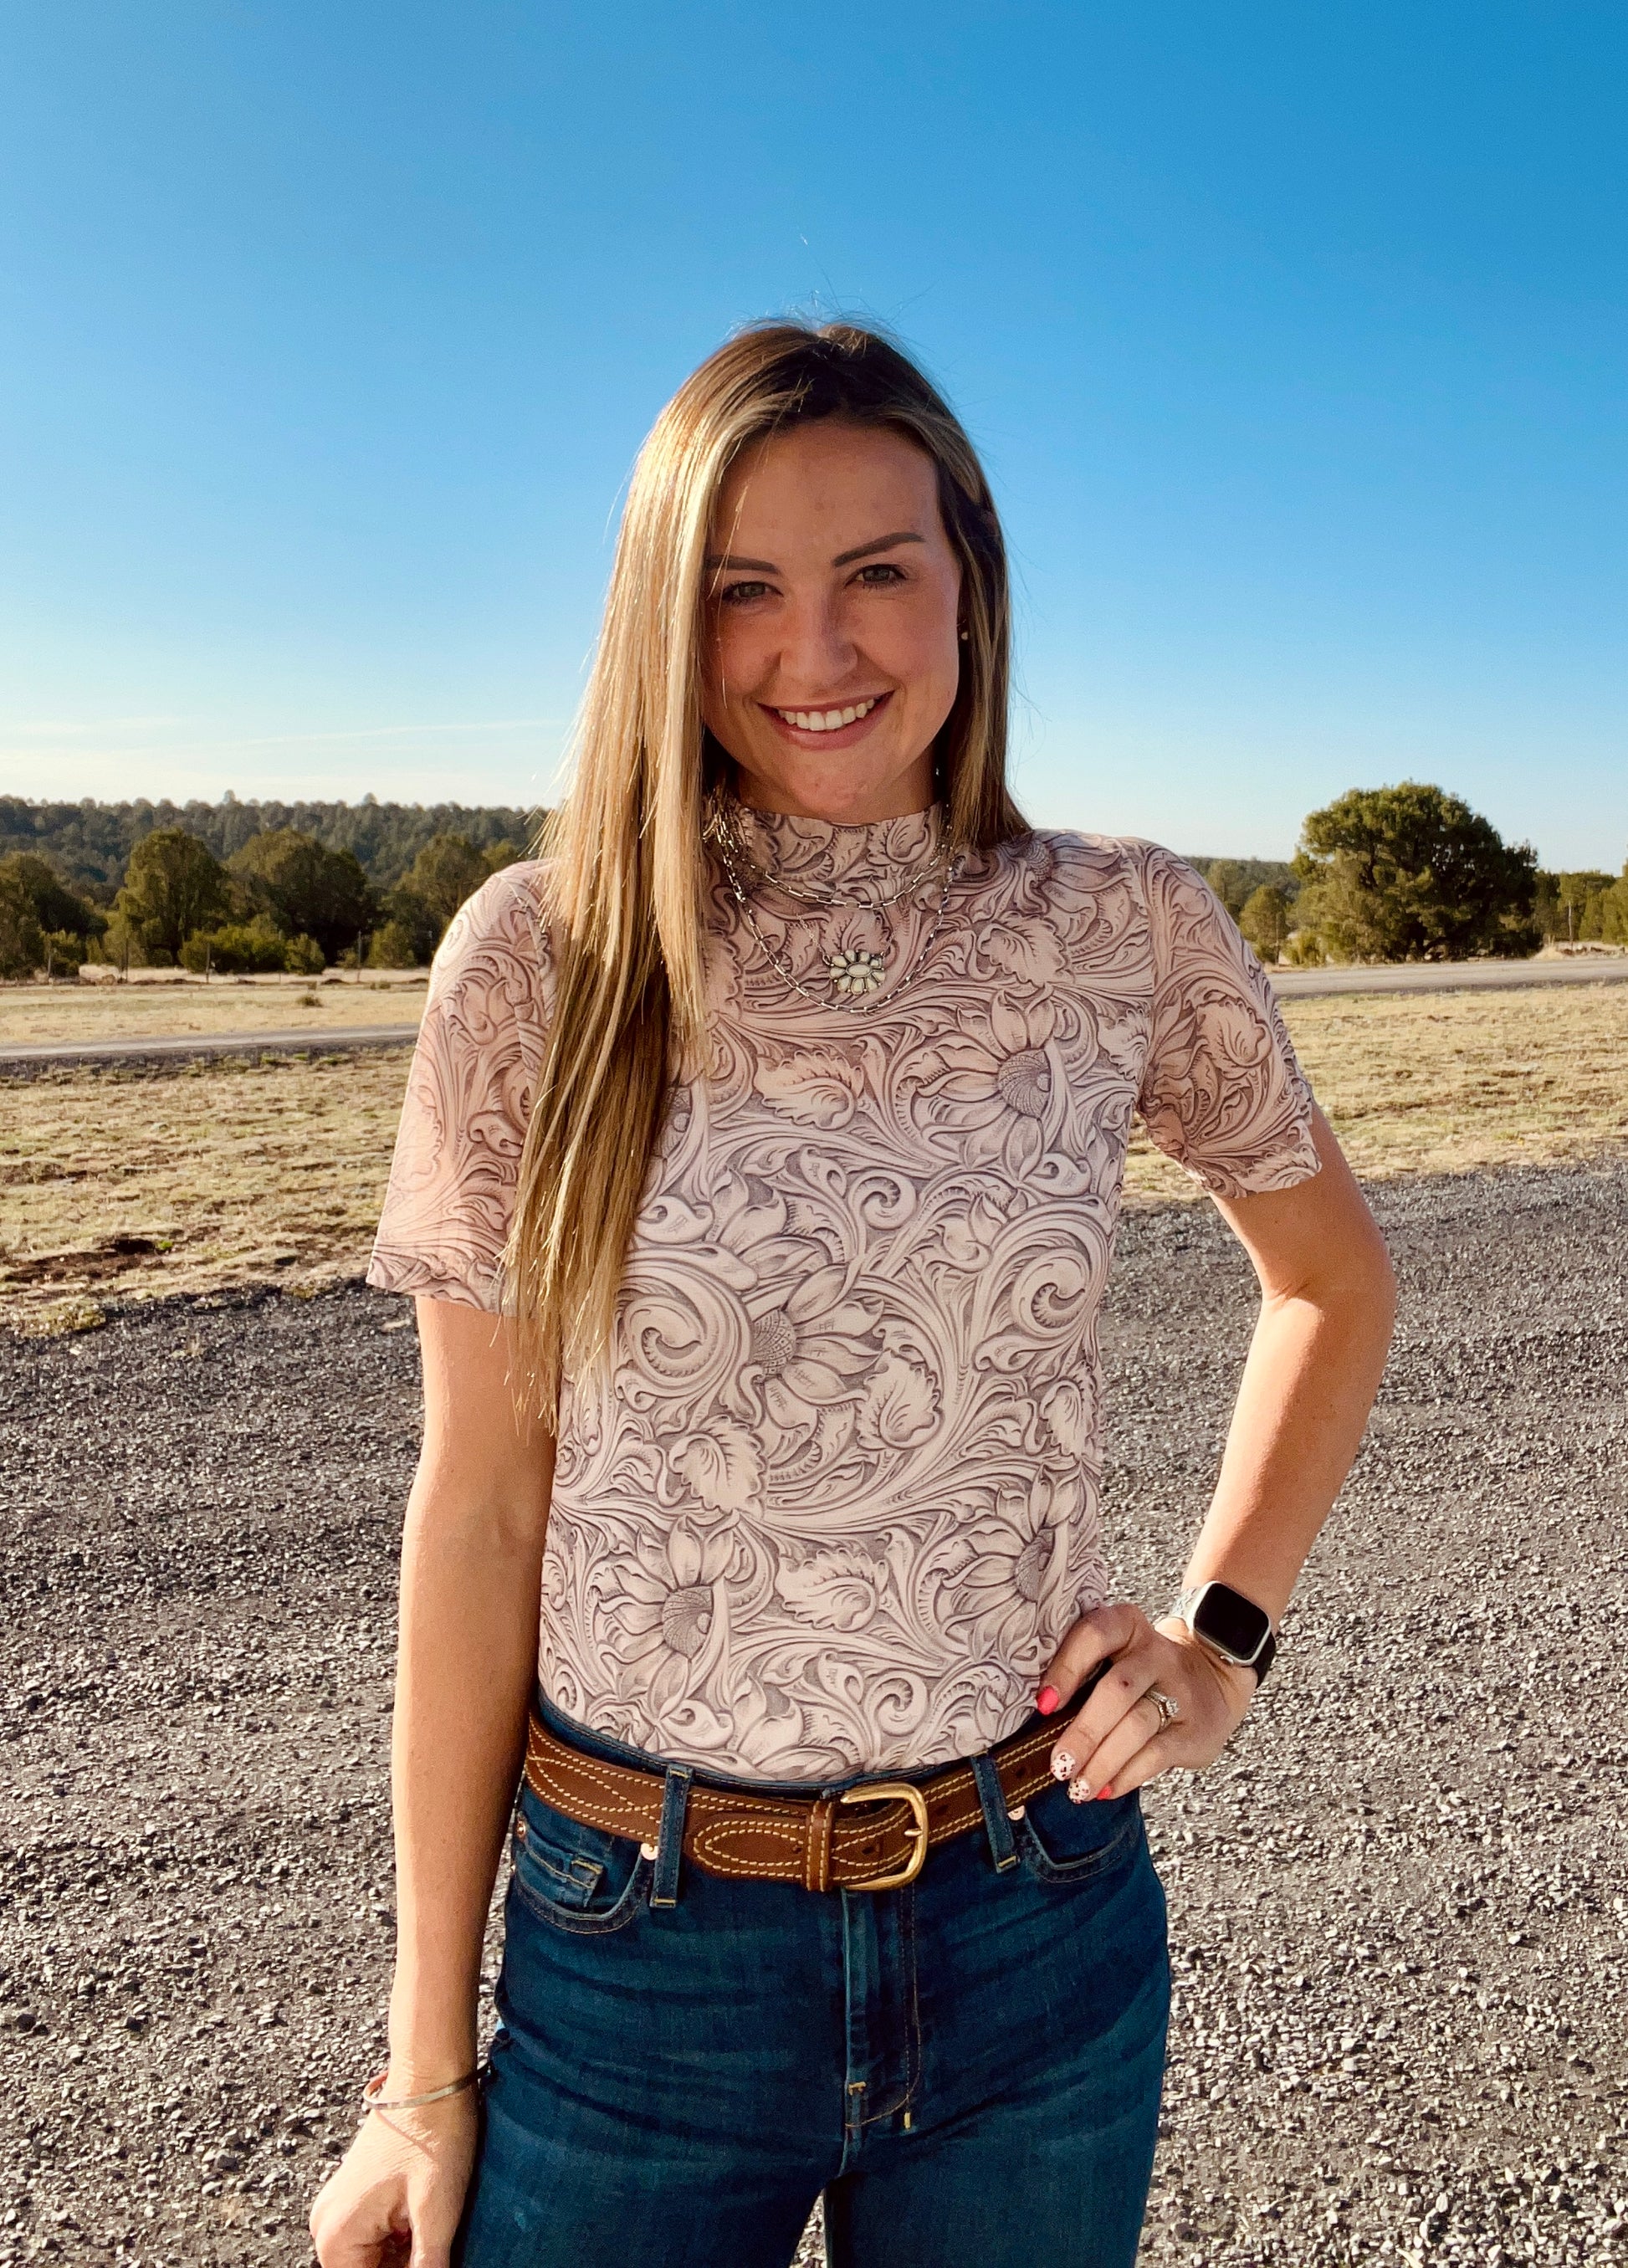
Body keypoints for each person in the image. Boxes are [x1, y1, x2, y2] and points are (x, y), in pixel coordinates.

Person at [309, 320, 1396, 2268]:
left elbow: (1329, 1280)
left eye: (876, 569)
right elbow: (477, 1510)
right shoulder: (541, 959)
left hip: (1032, 1927)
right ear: (665, 617)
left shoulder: (1122, 924)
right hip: (637, 1963)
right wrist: (420, 2072)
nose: (814, 651)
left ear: (969, 578)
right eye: (742, 588)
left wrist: (1219, 1638)